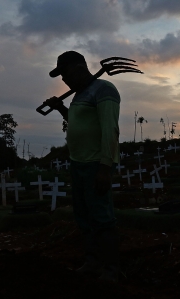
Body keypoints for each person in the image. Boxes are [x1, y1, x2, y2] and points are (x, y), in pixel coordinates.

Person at [44, 51, 120, 283]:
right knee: (84, 216)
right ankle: (92, 261)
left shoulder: (104, 90)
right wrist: (60, 109)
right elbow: (79, 123)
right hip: (78, 164)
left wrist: (105, 168)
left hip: (95, 164)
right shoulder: (79, 95)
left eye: (65, 74)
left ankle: (111, 269)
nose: (64, 80)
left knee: (101, 217)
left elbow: (110, 130)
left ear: (78, 68)